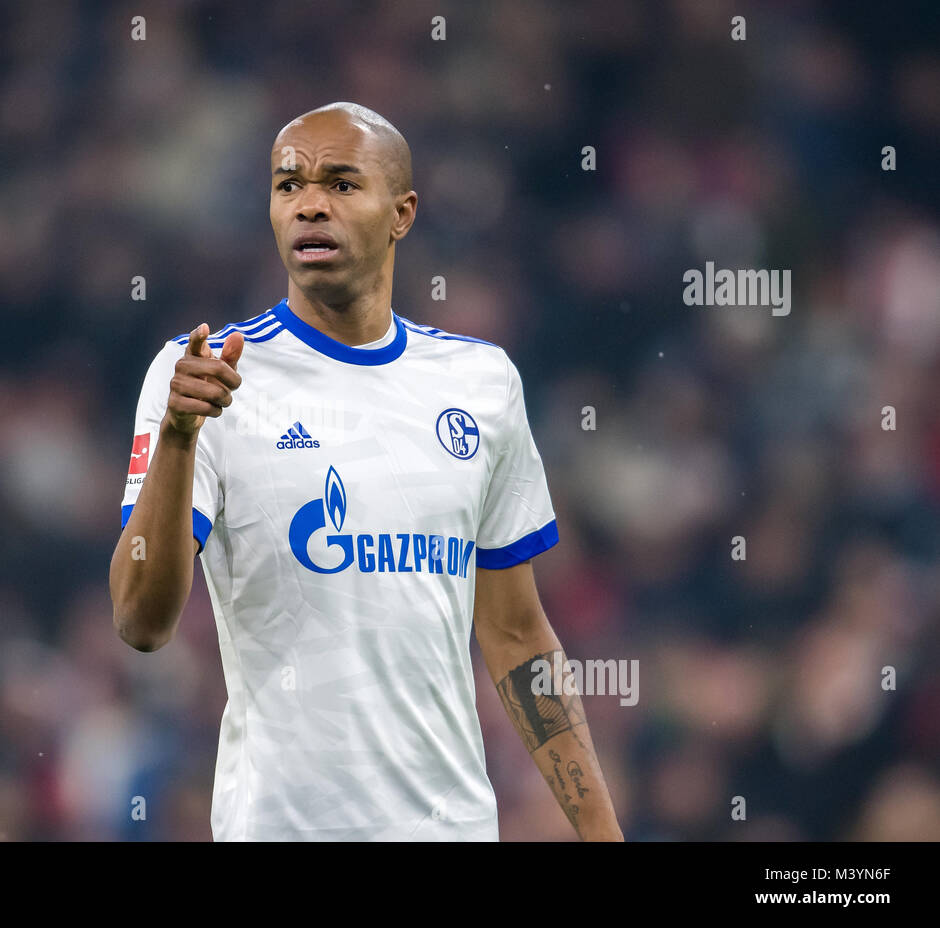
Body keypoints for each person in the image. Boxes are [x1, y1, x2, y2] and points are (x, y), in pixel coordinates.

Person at [109, 102, 623, 841]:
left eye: (342, 184)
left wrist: (602, 833)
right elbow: (139, 623)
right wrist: (180, 439)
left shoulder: (480, 383)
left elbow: (516, 634)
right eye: (289, 186)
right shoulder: (204, 374)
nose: (310, 203)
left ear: (402, 213)